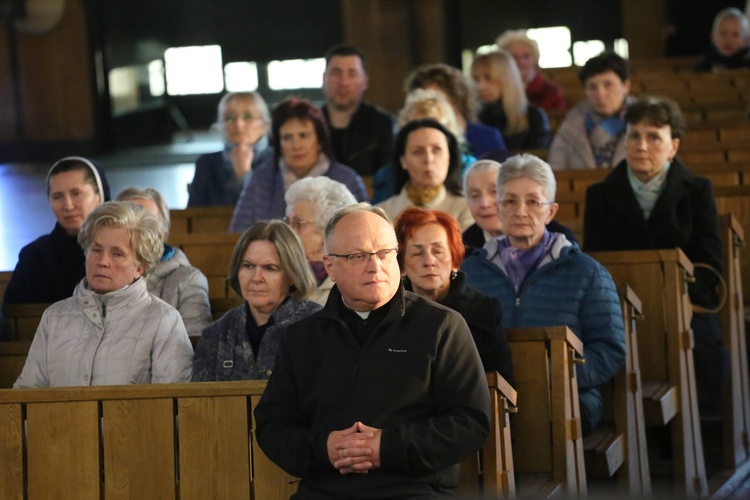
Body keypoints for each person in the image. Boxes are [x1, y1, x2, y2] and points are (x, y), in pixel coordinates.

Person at [254, 203, 491, 498]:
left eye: (384, 253)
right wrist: (325, 448)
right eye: (358, 256)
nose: (375, 267)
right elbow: (272, 427)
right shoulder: (301, 338)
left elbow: (470, 422)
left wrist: (386, 448)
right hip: (324, 490)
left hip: (414, 489)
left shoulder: (442, 326)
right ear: (330, 267)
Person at [583, 95, 730, 411]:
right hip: (619, 309)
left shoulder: (698, 191)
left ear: (673, 147)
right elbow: (596, 265)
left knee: (701, 349)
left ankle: (698, 430)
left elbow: (709, 263)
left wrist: (675, 301)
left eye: (653, 137)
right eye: (634, 135)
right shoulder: (600, 195)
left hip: (686, 305)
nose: (641, 145)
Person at [462, 154, 626, 436]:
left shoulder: (586, 272)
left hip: (566, 396)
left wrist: (552, 377)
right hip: (491, 393)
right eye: (510, 201)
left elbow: (609, 350)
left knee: (537, 417)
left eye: (533, 202)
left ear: (551, 212)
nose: (520, 211)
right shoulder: (471, 271)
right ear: (499, 208)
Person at [14, 201, 193, 387]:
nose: (102, 261)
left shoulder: (164, 320)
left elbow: (172, 406)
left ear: (140, 268)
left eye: (117, 254)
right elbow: (27, 395)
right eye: (96, 250)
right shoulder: (54, 317)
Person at [394, 207, 515, 385]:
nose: (429, 261)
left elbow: (504, 386)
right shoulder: (392, 311)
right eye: (417, 253)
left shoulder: (483, 309)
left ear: (455, 261)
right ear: (402, 266)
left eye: (438, 251)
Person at [191, 220, 321, 382]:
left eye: (270, 268)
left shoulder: (319, 326)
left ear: (291, 276)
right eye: (248, 266)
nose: (256, 278)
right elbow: (201, 403)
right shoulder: (216, 335)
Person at [230, 97, 368, 233]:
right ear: (279, 144)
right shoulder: (260, 180)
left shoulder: (347, 178)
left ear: (319, 140)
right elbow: (237, 236)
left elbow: (364, 232)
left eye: (303, 135)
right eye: (287, 137)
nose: (296, 145)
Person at [4, 156, 110, 306]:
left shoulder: (123, 251)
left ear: (99, 196)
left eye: (76, 193)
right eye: (58, 196)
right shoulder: (34, 256)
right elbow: (13, 316)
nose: (67, 205)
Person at [116, 187, 212, 337]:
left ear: (163, 235)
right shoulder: (96, 279)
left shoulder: (188, 280)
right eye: (125, 221)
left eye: (145, 222)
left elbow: (196, 347)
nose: (134, 231)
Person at [371, 88, 476, 204]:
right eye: (416, 127)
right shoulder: (388, 176)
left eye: (435, 127)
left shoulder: (471, 172)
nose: (428, 158)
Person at [462, 159, 577, 256]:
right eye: (474, 195)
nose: (484, 203)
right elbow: (454, 277)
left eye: (494, 192)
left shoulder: (562, 242)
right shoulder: (462, 245)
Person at [376, 119, 474, 231]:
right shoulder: (382, 213)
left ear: (450, 157)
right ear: (403, 161)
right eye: (418, 151)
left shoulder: (467, 207)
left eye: (436, 150)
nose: (428, 159)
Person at [548, 51, 635, 170]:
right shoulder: (573, 122)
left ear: (626, 86)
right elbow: (555, 168)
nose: (600, 94)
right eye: (592, 87)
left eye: (608, 85)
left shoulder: (643, 118)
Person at [322, 44, 396, 177]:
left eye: (352, 74)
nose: (343, 82)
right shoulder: (310, 125)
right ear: (324, 78)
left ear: (365, 81)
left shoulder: (383, 124)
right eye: (336, 73)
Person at [404, 62, 507, 157]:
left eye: (435, 99)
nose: (427, 106)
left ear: (456, 99)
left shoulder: (488, 137)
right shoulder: (411, 141)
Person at [188, 92, 273, 207]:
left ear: (264, 124)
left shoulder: (277, 159)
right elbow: (193, 216)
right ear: (221, 125)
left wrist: (243, 175)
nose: (238, 124)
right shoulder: (206, 163)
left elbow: (267, 211)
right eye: (230, 118)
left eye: (247, 116)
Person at [283, 176, 357, 305]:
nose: (288, 230)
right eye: (288, 222)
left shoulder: (346, 288)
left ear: (327, 230)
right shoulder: (281, 274)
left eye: (298, 223)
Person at [471, 50, 551, 151]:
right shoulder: (471, 117)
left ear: (506, 79)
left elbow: (537, 161)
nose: (480, 86)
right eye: (475, 79)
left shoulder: (534, 117)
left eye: (488, 78)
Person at [496, 30, 566, 111]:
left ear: (535, 60)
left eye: (526, 56)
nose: (521, 62)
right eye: (514, 57)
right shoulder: (493, 91)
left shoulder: (552, 93)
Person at [695, 7, 750, 71]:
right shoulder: (704, 66)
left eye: (735, 35)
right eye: (723, 33)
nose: (728, 40)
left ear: (746, 39)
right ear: (713, 37)